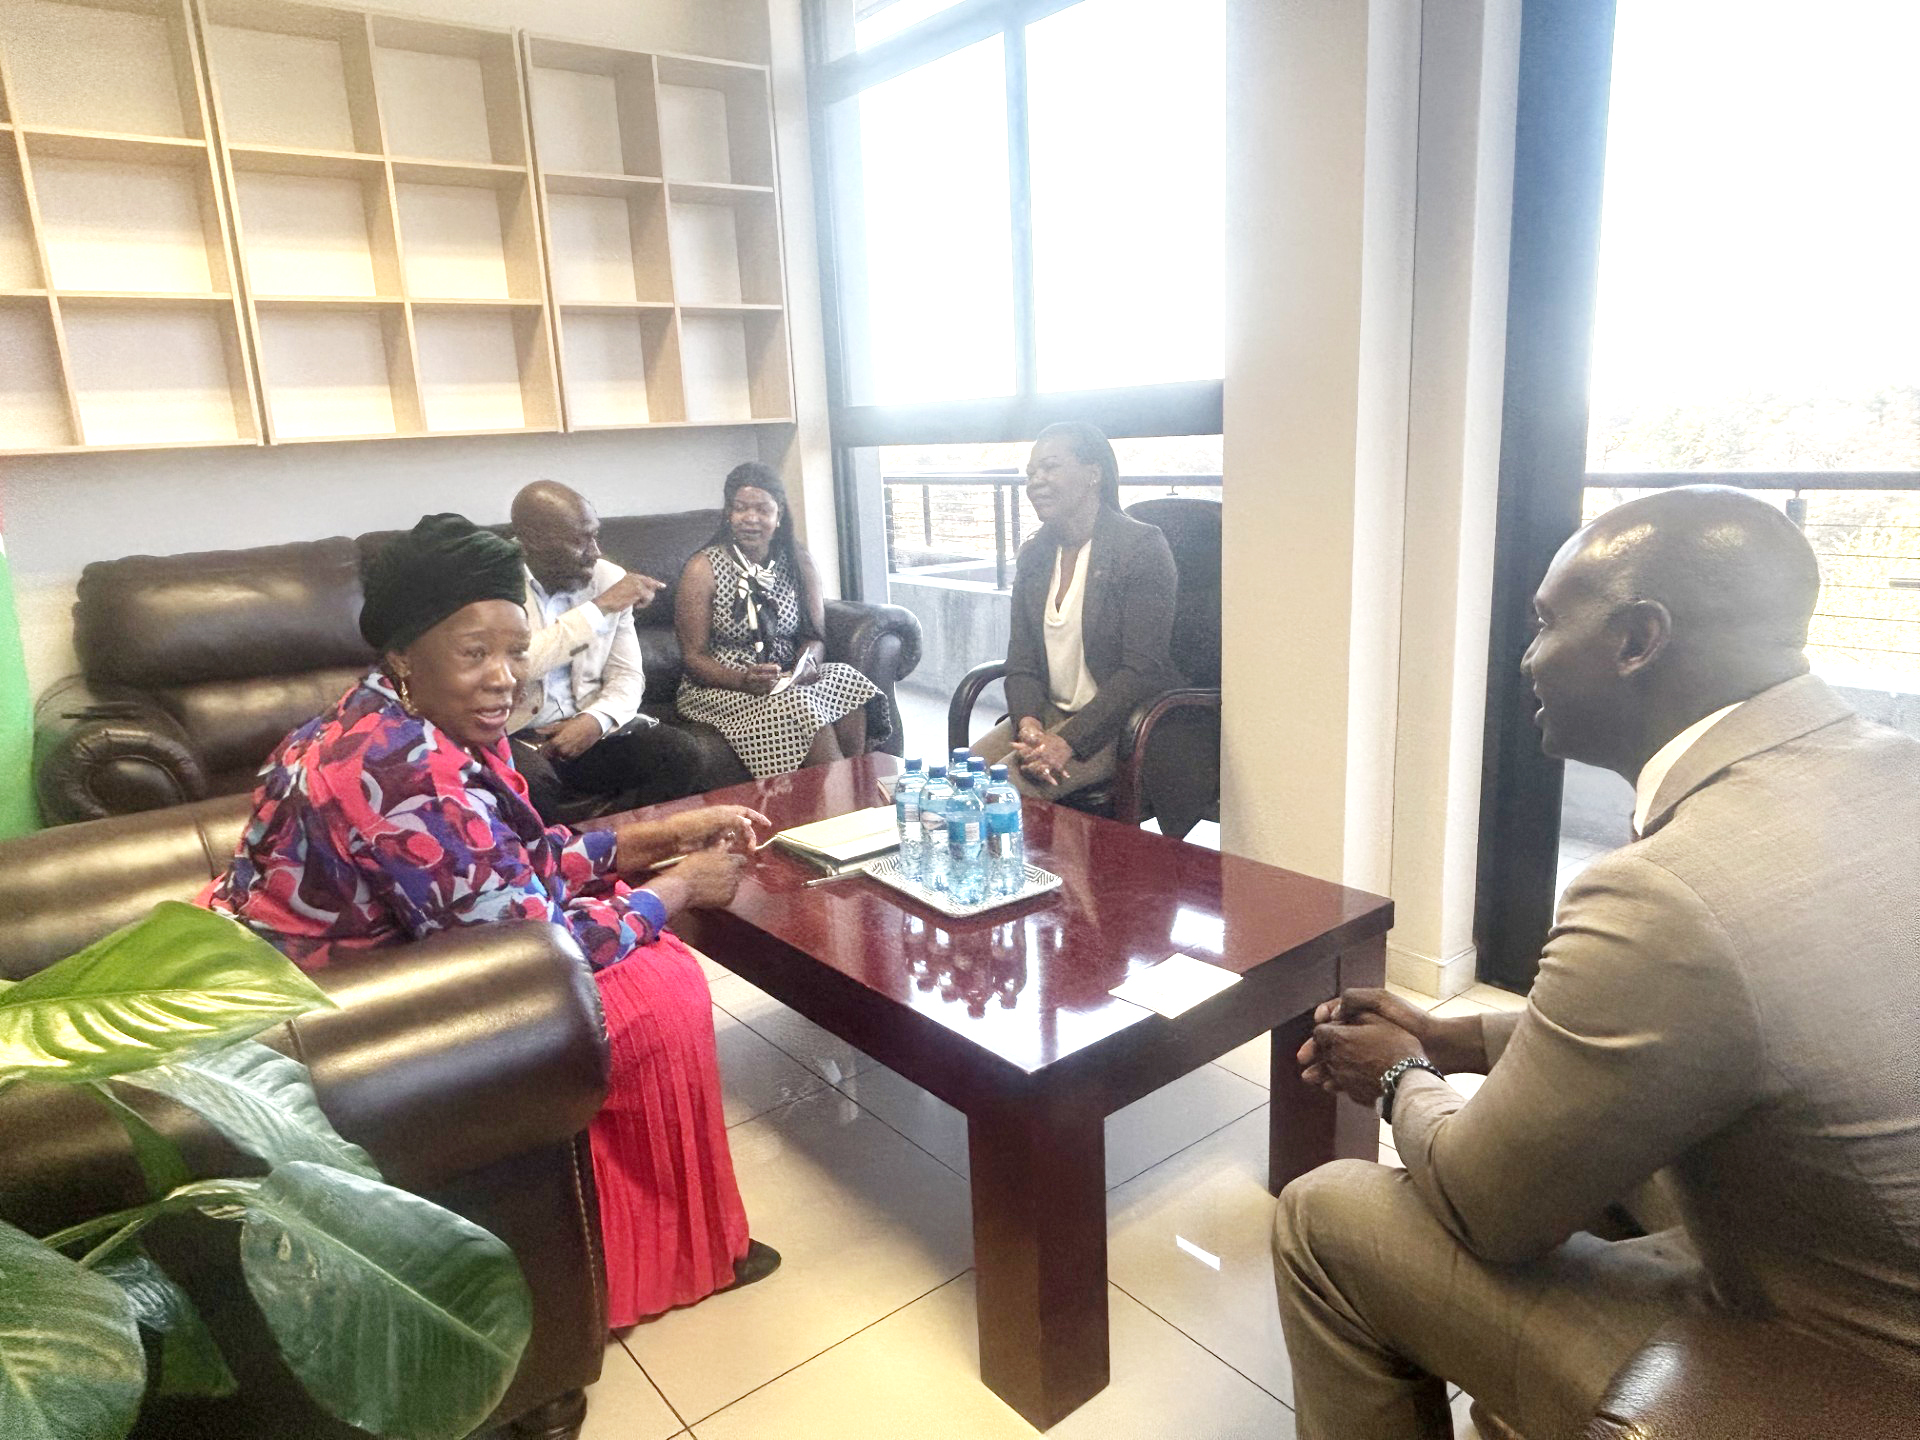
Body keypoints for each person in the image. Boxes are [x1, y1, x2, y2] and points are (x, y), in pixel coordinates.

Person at [1274, 486, 1920, 1439]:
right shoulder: (1894, 764)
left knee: (1323, 1213)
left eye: (1544, 624)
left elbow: (1485, 1210)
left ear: (1636, 640)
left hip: (1843, 1364)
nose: (1525, 656)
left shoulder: (1663, 891)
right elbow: (1705, 1023)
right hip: (1861, 1241)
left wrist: (1401, 1073)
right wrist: (1455, 1037)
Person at [201, 513, 781, 1327]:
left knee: (643, 950)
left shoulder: (397, 718)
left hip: (380, 961)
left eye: (515, 651)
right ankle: (656, 1267)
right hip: (334, 1021)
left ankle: (649, 1241)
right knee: (661, 988)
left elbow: (511, 863)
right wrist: (677, 890)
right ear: (406, 653)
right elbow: (532, 953)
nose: (504, 678)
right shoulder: (401, 773)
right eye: (474, 653)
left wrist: (654, 838)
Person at [972, 422, 1182, 800]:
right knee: (961, 779)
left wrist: (1067, 741)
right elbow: (1021, 662)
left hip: (1120, 723)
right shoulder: (1035, 555)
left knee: (1002, 793)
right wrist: (1028, 724)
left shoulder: (1140, 548)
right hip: (1049, 714)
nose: (1036, 481)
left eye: (1050, 467)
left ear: (1092, 474)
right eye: (1031, 473)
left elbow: (1142, 670)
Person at [506, 479, 716, 821]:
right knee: (533, 783)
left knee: (680, 753)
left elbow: (628, 676)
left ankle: (626, 841)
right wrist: (599, 609)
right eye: (581, 540)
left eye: (595, 535)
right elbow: (517, 665)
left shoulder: (607, 577)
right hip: (517, 735)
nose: (595, 552)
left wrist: (596, 720)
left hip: (588, 728)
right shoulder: (496, 583)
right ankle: (564, 851)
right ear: (532, 541)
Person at [675, 462, 889, 777]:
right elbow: (693, 657)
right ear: (728, 514)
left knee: (848, 681)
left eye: (762, 510)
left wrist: (807, 664)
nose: (751, 518)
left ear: (779, 515)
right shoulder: (702, 568)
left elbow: (815, 636)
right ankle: (846, 795)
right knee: (799, 706)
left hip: (788, 678)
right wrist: (744, 680)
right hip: (721, 687)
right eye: (741, 508)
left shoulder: (798, 562)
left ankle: (852, 786)